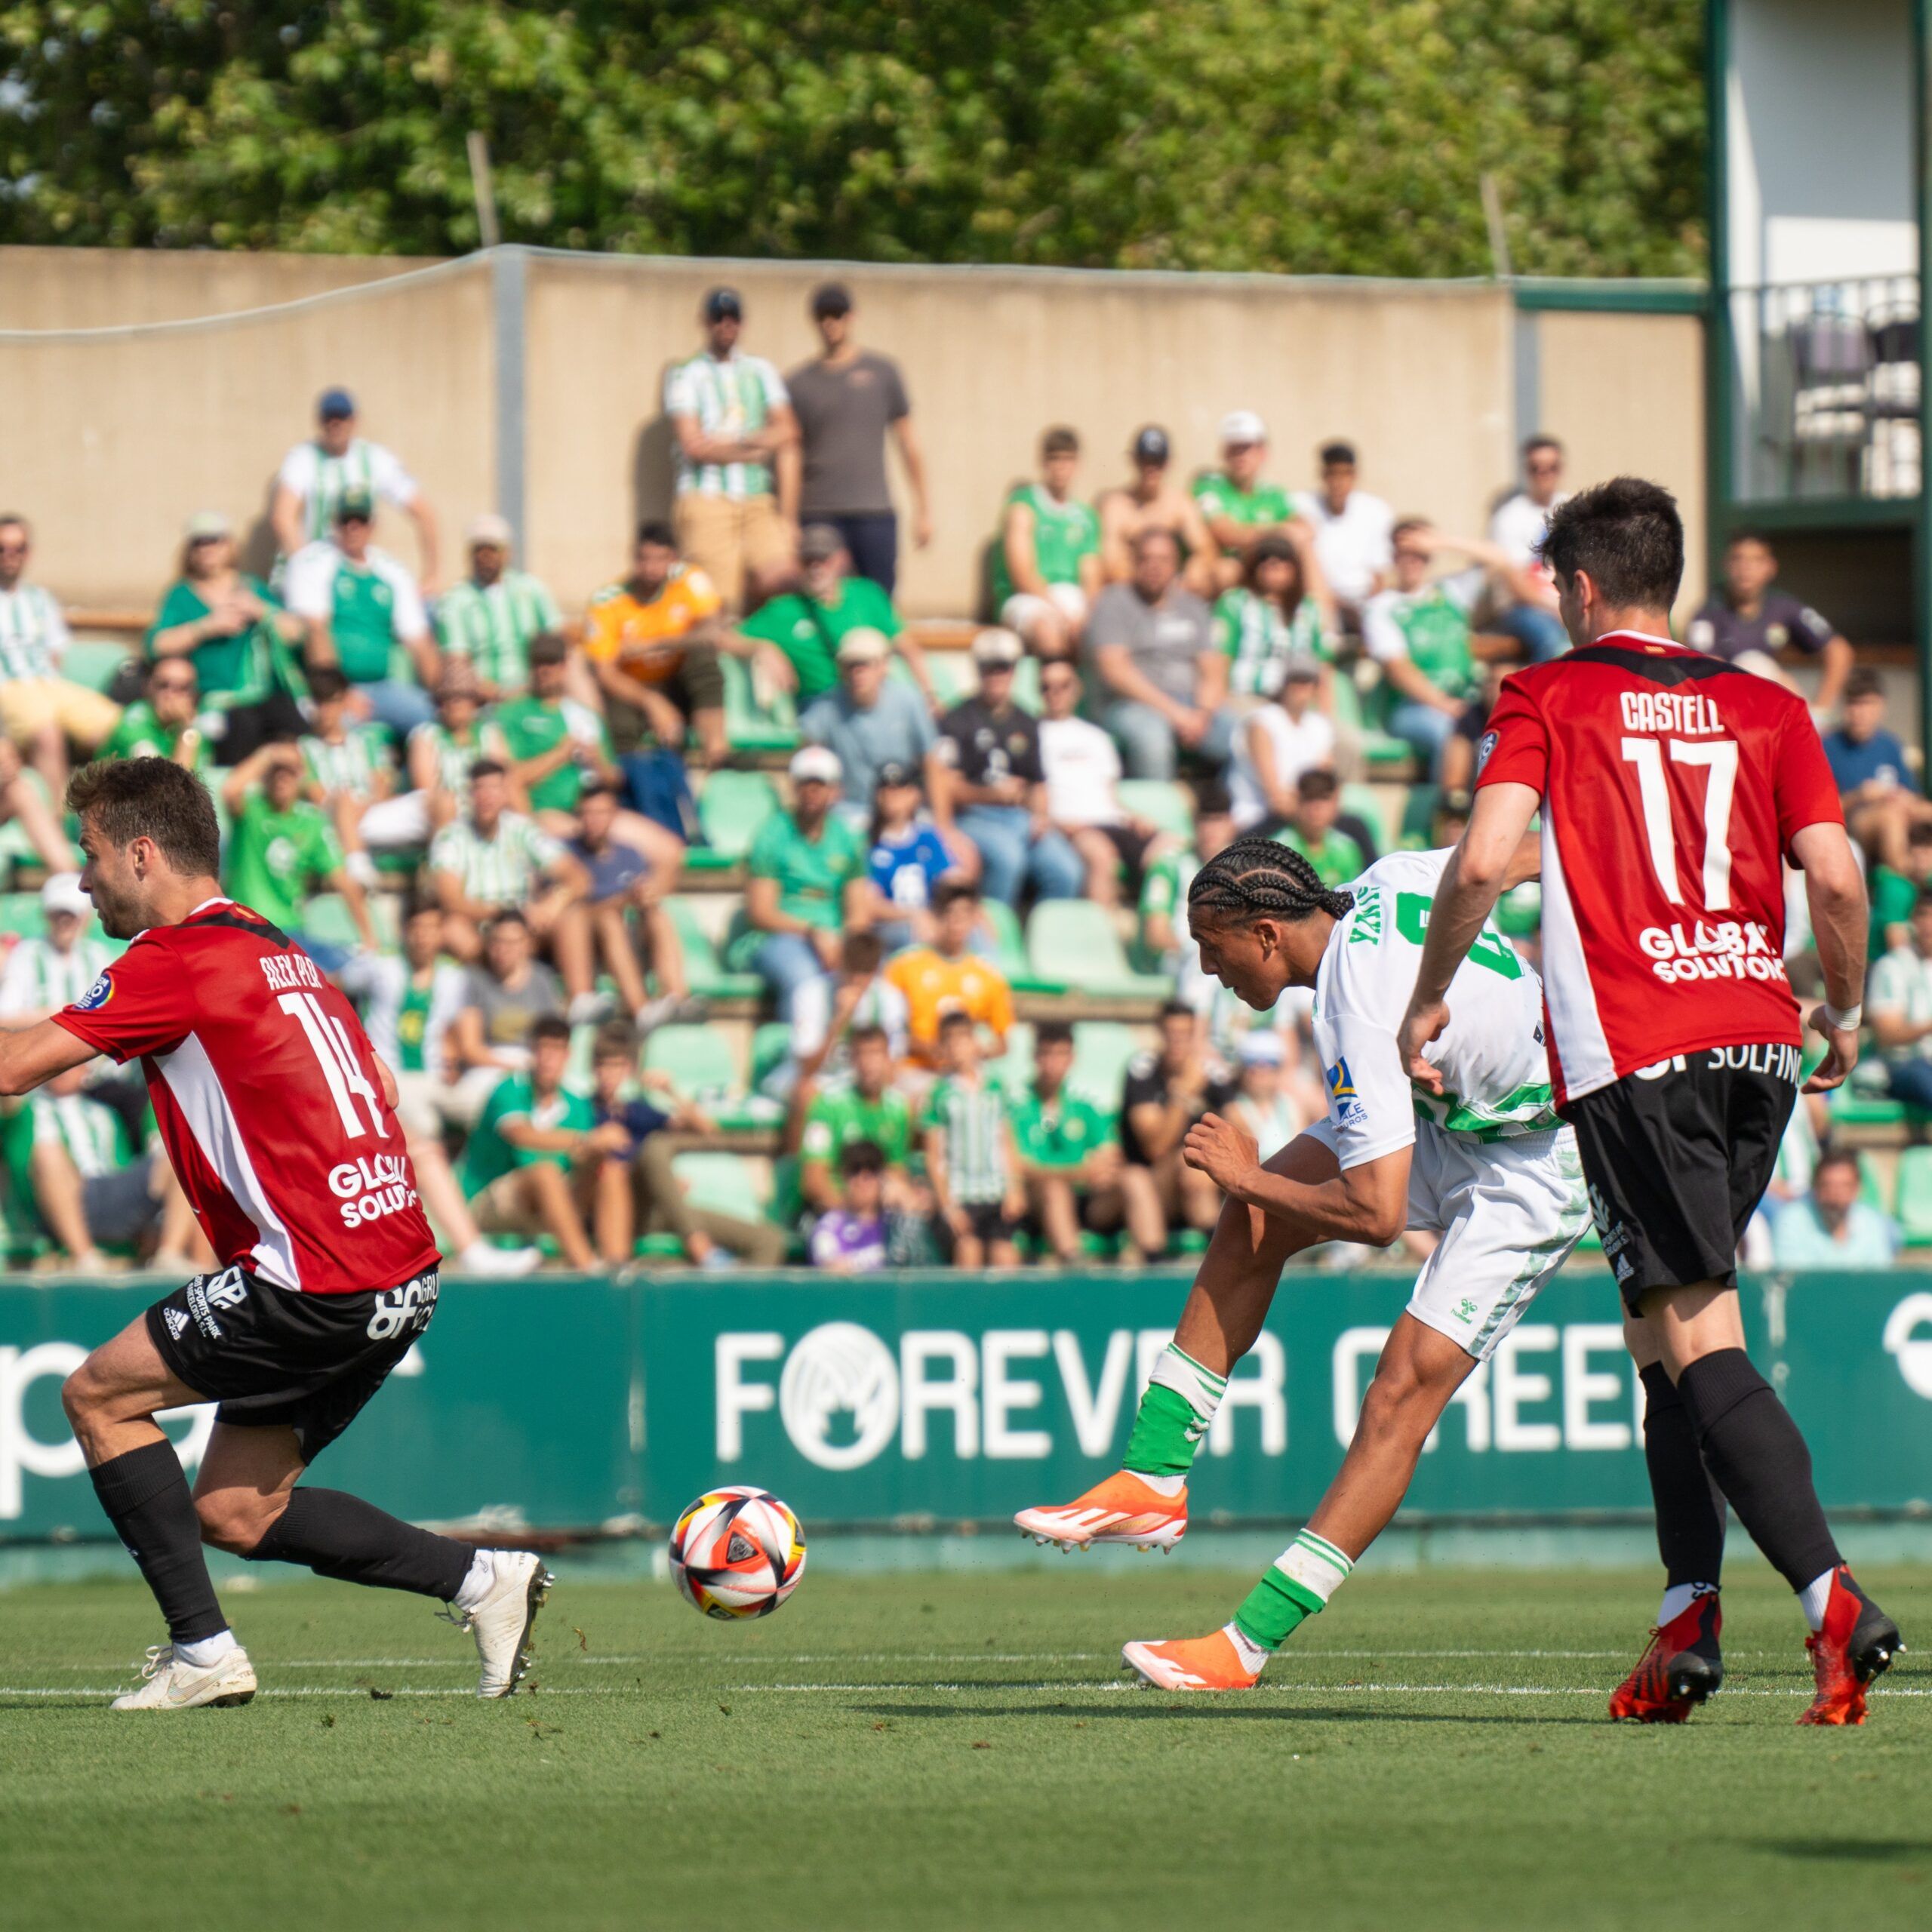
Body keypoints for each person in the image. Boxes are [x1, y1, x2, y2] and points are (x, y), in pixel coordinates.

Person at [1395, 474, 1901, 1726]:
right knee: (1658, 1336)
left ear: (1575, 586)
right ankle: (1687, 1623)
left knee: (1700, 1332)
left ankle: (1834, 1600)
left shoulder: (1548, 694)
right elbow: (1837, 880)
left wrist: (1428, 997)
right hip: (1759, 1044)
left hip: (1639, 1050)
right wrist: (1836, 1010)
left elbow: (1476, 862)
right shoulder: (1771, 702)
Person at [0, 755, 544, 1709]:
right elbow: (374, 1083)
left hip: (312, 1276)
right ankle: (482, 1581)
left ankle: (203, 1651)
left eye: (88, 854)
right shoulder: (275, 943)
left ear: (141, 853)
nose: (80, 878)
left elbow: (14, 1070)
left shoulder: (173, 960)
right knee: (236, 1511)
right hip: (403, 1272)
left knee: (95, 1399)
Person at [1015, 836, 1585, 1700]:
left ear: (1268, 933)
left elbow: (1376, 1215)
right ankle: (1154, 1473)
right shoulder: (1389, 875)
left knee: (1399, 1392)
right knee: (1254, 1218)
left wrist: (1247, 1172)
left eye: (1215, 949)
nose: (1209, 972)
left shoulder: (1352, 1006)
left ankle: (1243, 1645)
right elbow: (1517, 849)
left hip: (1540, 1156)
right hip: (1454, 1114)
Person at [333, 899, 537, 1278]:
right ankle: (451, 1232)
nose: (425, 937)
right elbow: (329, 988)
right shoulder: (381, 968)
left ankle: (490, 1196)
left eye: (432, 929)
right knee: (422, 1131)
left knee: (495, 1103)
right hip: (393, 1078)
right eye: (418, 928)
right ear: (406, 932)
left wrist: (455, 1055)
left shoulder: (454, 977)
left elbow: (460, 1031)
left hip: (436, 1078)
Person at [786, 282, 931, 596]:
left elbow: (908, 443)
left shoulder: (883, 373)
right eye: (823, 315)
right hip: (818, 512)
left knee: (878, 602)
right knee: (821, 603)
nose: (830, 323)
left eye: (837, 314)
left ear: (852, 317)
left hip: (873, 510)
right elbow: (790, 454)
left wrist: (923, 510)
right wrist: (789, 520)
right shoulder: (798, 383)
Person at [663, 286, 799, 610]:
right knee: (716, 600)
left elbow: (788, 430)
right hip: (707, 498)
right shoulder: (685, 372)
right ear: (705, 322)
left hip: (756, 498)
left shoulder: (760, 370)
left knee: (782, 581)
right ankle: (721, 660)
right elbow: (694, 446)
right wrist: (753, 444)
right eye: (719, 318)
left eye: (733, 318)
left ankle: (763, 654)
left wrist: (727, 444)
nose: (726, 325)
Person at [1362, 521, 1530, 776]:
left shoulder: (1450, 592)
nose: (1412, 561)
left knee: (1511, 719)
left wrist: (1442, 541)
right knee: (1453, 731)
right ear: (1393, 557)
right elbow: (1398, 669)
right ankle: (1449, 811)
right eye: (1404, 554)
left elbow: (1501, 558)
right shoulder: (1381, 607)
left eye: (1419, 554)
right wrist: (1445, 704)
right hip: (1413, 707)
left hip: (1465, 697)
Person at [928, 627, 1082, 905]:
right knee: (1007, 859)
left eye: (1004, 667)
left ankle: (1043, 936)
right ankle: (998, 935)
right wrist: (992, 794)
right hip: (975, 817)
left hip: (1019, 817)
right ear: (977, 670)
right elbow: (946, 786)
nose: (997, 675)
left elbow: (1038, 783)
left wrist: (1041, 816)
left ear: (1014, 671)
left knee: (1065, 869)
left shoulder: (1026, 721)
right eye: (989, 668)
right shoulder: (956, 720)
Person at [6, 1059, 205, 1272]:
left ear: (84, 1069)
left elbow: (122, 1166)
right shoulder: (24, 1110)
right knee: (48, 1153)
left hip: (109, 1195)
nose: (61, 1070)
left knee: (180, 1157)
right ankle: (84, 1257)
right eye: (55, 1064)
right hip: (56, 1198)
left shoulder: (105, 1113)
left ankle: (170, 1256)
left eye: (70, 1064)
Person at [146, 511, 308, 762]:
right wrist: (207, 627)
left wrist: (261, 610)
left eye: (214, 541)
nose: (207, 549)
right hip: (214, 699)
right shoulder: (181, 595)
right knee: (238, 727)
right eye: (199, 543)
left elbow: (296, 634)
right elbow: (157, 644)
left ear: (228, 545)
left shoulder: (251, 588)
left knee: (295, 724)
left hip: (262, 694)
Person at [458, 1015, 616, 1272]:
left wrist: (601, 1150)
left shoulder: (577, 1104)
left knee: (611, 1171)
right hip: (489, 1199)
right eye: (542, 1048)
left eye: (556, 1050)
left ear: (568, 1055)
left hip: (550, 1200)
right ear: (531, 1051)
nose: (547, 1058)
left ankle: (617, 1267)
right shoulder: (509, 1089)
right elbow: (520, 1135)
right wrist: (586, 1139)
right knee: (545, 1174)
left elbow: (579, 1158)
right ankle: (588, 1268)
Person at [734, 746, 871, 1037]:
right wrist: (813, 932)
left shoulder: (846, 838)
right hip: (778, 936)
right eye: (805, 784)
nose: (811, 792)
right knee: (803, 979)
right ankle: (798, 1057)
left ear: (835, 791)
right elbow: (760, 912)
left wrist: (845, 946)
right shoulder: (773, 834)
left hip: (833, 935)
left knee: (867, 979)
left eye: (819, 785)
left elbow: (858, 911)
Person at [725, 520, 932, 709]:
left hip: (874, 703)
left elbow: (907, 648)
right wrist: (761, 647)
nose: (816, 568)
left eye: (823, 559)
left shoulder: (867, 594)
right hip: (823, 707)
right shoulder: (783, 610)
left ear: (842, 559)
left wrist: (929, 696)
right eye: (808, 560)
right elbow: (724, 638)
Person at [283, 491, 439, 737]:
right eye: (346, 520)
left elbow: (420, 642)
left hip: (382, 687)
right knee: (337, 730)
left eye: (361, 520)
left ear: (372, 525)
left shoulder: (392, 571)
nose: (353, 528)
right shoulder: (312, 562)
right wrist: (341, 694)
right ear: (334, 522)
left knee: (432, 722)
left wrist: (444, 699)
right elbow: (316, 631)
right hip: (333, 691)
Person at [1086, 525, 1230, 781]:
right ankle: (1157, 816)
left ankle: (1226, 816)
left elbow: (1213, 669)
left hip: (1192, 705)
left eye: (1163, 560)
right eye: (1146, 559)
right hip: (1130, 705)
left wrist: (1203, 714)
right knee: (1152, 738)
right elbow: (1116, 671)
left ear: (1176, 565)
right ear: (1134, 562)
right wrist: (1176, 714)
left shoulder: (1193, 606)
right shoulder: (1113, 602)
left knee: (1241, 736)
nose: (1155, 566)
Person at [424, 759, 591, 979]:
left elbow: (578, 876)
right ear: (469, 796)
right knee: (453, 929)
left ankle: (580, 1000)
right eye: (479, 789)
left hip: (526, 926)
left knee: (572, 913)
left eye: (494, 789)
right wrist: (503, 914)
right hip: (482, 925)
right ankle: (497, 986)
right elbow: (451, 899)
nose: (487, 797)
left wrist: (554, 902)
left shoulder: (522, 829)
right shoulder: (450, 837)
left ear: (505, 794)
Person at [583, 520, 728, 768]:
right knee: (621, 722)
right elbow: (605, 672)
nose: (650, 568)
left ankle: (715, 751)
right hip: (633, 684)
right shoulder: (608, 599)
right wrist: (652, 701)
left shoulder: (689, 578)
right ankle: (629, 781)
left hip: (676, 679)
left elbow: (713, 631)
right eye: (644, 559)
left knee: (703, 657)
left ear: (673, 559)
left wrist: (652, 645)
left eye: (659, 559)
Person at [220, 744, 380, 964]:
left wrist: (369, 938)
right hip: (247, 926)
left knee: (354, 968)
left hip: (291, 930)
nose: (282, 778)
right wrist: (269, 754)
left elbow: (341, 878)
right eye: (276, 770)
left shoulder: (311, 823)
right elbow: (230, 791)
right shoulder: (251, 811)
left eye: (290, 771)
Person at [272, 387, 441, 591]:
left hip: (352, 579)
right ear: (319, 421)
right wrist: (308, 570)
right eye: (329, 418)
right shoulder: (303, 458)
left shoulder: (374, 459)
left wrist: (431, 576)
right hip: (308, 576)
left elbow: (424, 512)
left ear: (354, 421)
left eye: (342, 418)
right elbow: (283, 517)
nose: (335, 424)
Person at [0, 512, 119, 798]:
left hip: (49, 684)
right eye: (2, 548)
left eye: (19, 548)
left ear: (29, 552)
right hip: (8, 687)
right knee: (46, 732)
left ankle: (114, 816)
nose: (10, 555)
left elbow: (56, 654)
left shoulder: (41, 598)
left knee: (115, 725)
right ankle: (59, 821)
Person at [1010, 1021, 1142, 1265]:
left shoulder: (1084, 1105)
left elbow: (1109, 1154)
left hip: (1088, 1197)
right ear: (1035, 1057)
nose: (1053, 1063)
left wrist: (1100, 1171)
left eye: (1060, 1054)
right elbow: (1021, 1167)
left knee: (1133, 1178)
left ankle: (1152, 1260)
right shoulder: (1017, 1107)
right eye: (1046, 1054)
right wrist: (1078, 1172)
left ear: (1072, 1058)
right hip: (1038, 1204)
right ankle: (1075, 1266)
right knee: (1054, 1190)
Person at [568, 782, 697, 1031]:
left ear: (614, 816)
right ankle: (641, 1010)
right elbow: (575, 910)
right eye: (588, 813)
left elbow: (638, 894)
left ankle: (678, 996)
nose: (594, 820)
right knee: (608, 920)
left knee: (655, 911)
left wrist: (644, 896)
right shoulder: (569, 854)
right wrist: (621, 901)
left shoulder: (631, 854)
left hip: (630, 935)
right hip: (591, 942)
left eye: (601, 813)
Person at [1037, 660, 1164, 906]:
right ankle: (1102, 936)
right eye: (1046, 686)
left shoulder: (1097, 737)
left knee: (1169, 851)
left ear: (1076, 689)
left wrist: (1133, 816)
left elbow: (1110, 796)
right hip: (1073, 825)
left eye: (1063, 685)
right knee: (1101, 858)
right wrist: (1059, 823)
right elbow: (1033, 796)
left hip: (1110, 819)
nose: (1055, 693)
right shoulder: (1032, 735)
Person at [1117, 1001, 1236, 1254]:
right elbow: (1155, 1148)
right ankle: (1158, 1264)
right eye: (1171, 1034)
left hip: (1200, 1187)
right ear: (1159, 1034)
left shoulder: (1212, 1074)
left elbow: (1242, 1132)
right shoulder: (1142, 1072)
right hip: (1154, 1185)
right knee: (1142, 1176)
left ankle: (1222, 1254)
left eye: (1185, 1035)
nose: (1177, 1042)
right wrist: (1182, 1094)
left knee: (1198, 1167)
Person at [1686, 533, 1851, 714]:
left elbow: (1838, 650)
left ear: (1771, 567)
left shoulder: (1784, 606)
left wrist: (1821, 709)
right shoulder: (1708, 613)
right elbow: (1707, 670)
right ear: (1726, 565)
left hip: (1774, 711)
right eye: (1738, 559)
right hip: (1726, 712)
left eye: (1756, 560)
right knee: (1754, 665)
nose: (1746, 568)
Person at [444, 910, 567, 1128]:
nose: (503, 950)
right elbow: (471, 1048)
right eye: (497, 942)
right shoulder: (475, 979)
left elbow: (555, 1037)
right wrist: (512, 1066)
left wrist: (536, 1065)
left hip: (535, 1060)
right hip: (490, 1064)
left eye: (512, 942)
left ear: (527, 944)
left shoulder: (543, 980)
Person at [989, 426, 1102, 660]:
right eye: (1054, 459)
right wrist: (1060, 613)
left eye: (1067, 460)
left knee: (1098, 635)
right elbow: (1023, 575)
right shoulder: (1023, 506)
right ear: (1042, 462)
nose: (1061, 467)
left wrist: (1087, 615)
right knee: (1047, 632)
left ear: (1077, 464)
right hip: (1030, 598)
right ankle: (1054, 693)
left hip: (1072, 598)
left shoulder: (1085, 516)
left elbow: (1092, 578)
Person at [799, 626, 937, 815]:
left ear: (884, 666)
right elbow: (805, 754)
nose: (858, 672)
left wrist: (941, 820)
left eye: (865, 664)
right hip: (848, 809)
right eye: (851, 665)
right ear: (841, 669)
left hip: (902, 808)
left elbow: (932, 761)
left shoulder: (909, 700)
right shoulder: (825, 707)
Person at [923, 1009, 1022, 1266]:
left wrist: (1014, 1188)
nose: (957, 1047)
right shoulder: (939, 1093)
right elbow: (934, 1156)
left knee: (1006, 1256)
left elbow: (1006, 1142)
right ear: (942, 1047)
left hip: (994, 1191)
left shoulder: (997, 1087)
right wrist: (948, 1207)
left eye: (963, 1038)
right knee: (969, 1252)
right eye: (950, 1040)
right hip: (961, 1193)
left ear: (976, 1042)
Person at [885, 880, 1014, 1069]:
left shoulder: (988, 974)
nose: (957, 923)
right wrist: (930, 1048)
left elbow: (1002, 1042)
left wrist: (976, 1051)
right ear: (936, 917)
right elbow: (888, 1033)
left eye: (964, 915)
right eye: (950, 914)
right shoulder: (904, 966)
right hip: (917, 1069)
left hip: (965, 1074)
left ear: (974, 919)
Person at [433, 513, 563, 700]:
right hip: (483, 697)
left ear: (507, 552)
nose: (485, 556)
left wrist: (537, 683)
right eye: (479, 550)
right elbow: (457, 661)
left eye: (492, 549)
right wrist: (495, 692)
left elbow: (557, 640)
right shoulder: (455, 599)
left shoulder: (531, 589)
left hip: (535, 688)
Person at [1191, 412, 1317, 592]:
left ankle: (1320, 617)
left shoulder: (1272, 492)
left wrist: (1285, 534)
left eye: (1246, 447)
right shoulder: (1208, 487)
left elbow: (1306, 529)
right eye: (1234, 448)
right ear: (1223, 453)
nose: (1240, 455)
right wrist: (1280, 532)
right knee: (1228, 570)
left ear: (1262, 452)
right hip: (1235, 569)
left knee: (1307, 553)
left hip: (1269, 565)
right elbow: (1228, 534)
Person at [798, 1023, 917, 1213]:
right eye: (861, 1054)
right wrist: (850, 1214)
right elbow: (814, 1180)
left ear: (888, 1059)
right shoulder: (827, 1106)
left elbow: (896, 1172)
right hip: (835, 1210)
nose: (868, 1063)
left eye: (875, 1054)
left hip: (878, 1210)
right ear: (852, 1060)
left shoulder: (898, 1109)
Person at [1822, 668, 1932, 871]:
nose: (1859, 713)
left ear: (1881, 707)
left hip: (1897, 811)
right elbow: (1818, 811)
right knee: (1891, 817)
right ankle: (1907, 878)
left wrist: (1905, 797)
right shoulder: (1828, 747)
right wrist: (1860, 795)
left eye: (1867, 705)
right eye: (1854, 704)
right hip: (1855, 822)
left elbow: (1914, 796)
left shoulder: (1890, 744)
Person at [1216, 534, 1335, 705]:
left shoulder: (1310, 610)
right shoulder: (1234, 603)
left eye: (1283, 566)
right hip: (1245, 698)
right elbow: (1220, 659)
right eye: (1269, 566)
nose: (1276, 573)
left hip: (1295, 707)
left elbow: (1323, 667)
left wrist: (1325, 718)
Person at [1097, 426, 1217, 595]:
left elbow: (1205, 548)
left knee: (1214, 576)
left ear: (1169, 463)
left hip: (1174, 590)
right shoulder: (1116, 505)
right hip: (1131, 591)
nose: (1151, 468)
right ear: (1134, 460)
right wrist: (1148, 584)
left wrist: (1194, 572)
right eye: (1145, 460)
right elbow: (1111, 561)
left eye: (1158, 462)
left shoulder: (1179, 502)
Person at [1484, 434, 1570, 663]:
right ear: (1526, 470)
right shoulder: (1509, 516)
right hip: (1522, 608)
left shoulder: (1571, 508)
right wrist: (1559, 609)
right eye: (1536, 468)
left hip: (1565, 602)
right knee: (1553, 641)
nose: (1544, 475)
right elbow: (1517, 585)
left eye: (1552, 467)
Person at [1291, 441, 1394, 627]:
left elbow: (1379, 577)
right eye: (1332, 474)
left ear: (1355, 476)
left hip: (1362, 602)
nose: (1338, 483)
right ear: (1322, 475)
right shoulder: (1302, 506)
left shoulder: (1376, 511)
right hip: (1319, 599)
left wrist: (1369, 614)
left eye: (1345, 474)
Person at [866, 762, 965, 950]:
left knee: (966, 928)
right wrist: (913, 916)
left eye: (900, 790)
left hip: (931, 918)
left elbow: (952, 881)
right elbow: (870, 903)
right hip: (892, 928)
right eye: (886, 790)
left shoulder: (928, 838)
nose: (893, 796)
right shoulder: (868, 843)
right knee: (910, 934)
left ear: (914, 795)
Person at [1228, 657, 1335, 832]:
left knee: (1354, 827)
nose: (1301, 688)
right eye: (1295, 680)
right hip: (1256, 819)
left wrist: (1315, 809)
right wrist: (1311, 807)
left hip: (1303, 819)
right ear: (1283, 684)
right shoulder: (1261, 722)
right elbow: (1276, 798)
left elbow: (1325, 786)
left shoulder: (1320, 726)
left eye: (1307, 681)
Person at [405, 664, 512, 834]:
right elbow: (427, 790)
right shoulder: (426, 736)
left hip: (484, 804)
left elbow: (503, 777)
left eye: (462, 697)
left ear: (474, 703)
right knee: (445, 803)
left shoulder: (489, 733)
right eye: (447, 698)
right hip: (444, 810)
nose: (454, 703)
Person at [0, 871, 115, 1023]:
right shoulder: (26, 955)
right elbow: (6, 1017)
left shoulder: (96, 955)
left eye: (71, 915)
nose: (64, 922)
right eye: (58, 914)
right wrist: (62, 1016)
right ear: (46, 915)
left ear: (84, 917)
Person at [1769, 1146, 1898, 1269]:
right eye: (1827, 1186)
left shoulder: (1872, 1223)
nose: (1835, 1194)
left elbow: (1880, 1278)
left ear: (1858, 1189)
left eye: (1844, 1186)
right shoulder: (1791, 1221)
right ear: (1815, 1187)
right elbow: (1794, 1279)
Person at [1866, 886, 1932, 1111]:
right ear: (1913, 921)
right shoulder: (1892, 966)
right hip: (1905, 1066)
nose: (1929, 924)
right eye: (1924, 915)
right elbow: (1887, 1034)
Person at [100, 657, 212, 776]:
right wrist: (187, 729)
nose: (170, 694)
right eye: (163, 685)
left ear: (194, 694)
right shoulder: (133, 724)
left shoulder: (194, 728)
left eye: (183, 688)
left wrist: (187, 729)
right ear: (148, 686)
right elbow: (170, 787)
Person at [810, 1140, 891, 1272]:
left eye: (872, 1170)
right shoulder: (830, 1226)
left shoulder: (896, 1224)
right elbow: (830, 1265)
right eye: (854, 1171)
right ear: (843, 1177)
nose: (862, 1180)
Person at [1224, 1027, 1305, 1159]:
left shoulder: (1292, 1105)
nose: (1260, 1070)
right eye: (1252, 1062)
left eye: (1269, 1062)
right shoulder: (1233, 1111)